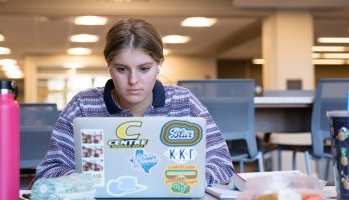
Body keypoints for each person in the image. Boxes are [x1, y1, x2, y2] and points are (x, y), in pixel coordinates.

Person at [35, 18, 234, 185]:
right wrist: (85, 181)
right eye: (122, 69)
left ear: (159, 65)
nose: (133, 80)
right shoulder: (83, 106)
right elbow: (48, 171)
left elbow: (222, 164)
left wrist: (183, 181)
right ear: (109, 66)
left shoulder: (184, 102)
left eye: (144, 68)